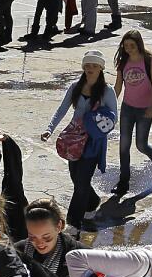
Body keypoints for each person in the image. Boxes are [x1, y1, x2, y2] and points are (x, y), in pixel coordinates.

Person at [42, 50, 118, 234]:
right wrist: (49, 129)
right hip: (74, 140)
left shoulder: (107, 91)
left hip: (93, 142)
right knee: (77, 179)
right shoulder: (75, 86)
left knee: (82, 181)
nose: (90, 69)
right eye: (87, 65)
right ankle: (92, 201)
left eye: (94, 66)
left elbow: (114, 118)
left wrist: (98, 124)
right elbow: (62, 109)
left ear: (101, 68)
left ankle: (73, 224)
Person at [112, 30, 152, 195]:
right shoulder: (123, 62)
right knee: (124, 146)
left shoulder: (149, 61)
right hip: (128, 108)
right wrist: (110, 105)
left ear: (139, 44)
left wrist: (151, 109)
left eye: (132, 46)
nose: (129, 49)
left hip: (144, 109)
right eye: (126, 46)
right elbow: (118, 87)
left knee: (141, 145)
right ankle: (123, 182)